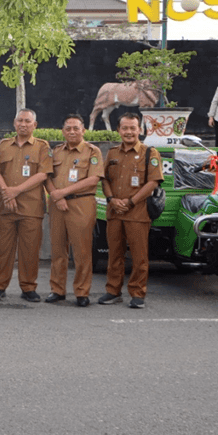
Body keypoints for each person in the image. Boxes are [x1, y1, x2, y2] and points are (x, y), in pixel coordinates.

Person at [98, 112, 163, 309]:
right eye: (124, 128)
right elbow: (105, 180)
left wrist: (131, 202)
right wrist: (111, 199)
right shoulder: (112, 153)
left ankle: (137, 293)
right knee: (114, 254)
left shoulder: (150, 153)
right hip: (115, 212)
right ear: (118, 130)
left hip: (137, 213)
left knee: (139, 256)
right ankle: (112, 291)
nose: (128, 132)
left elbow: (153, 182)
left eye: (132, 128)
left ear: (140, 130)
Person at [0, 109, 53, 303]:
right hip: (6, 207)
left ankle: (28, 287)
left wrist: (15, 191)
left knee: (30, 249)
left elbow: (43, 174)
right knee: (2, 249)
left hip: (31, 208)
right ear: (14, 123)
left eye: (27, 121)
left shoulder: (42, 147)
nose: (23, 124)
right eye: (20, 121)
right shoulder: (4, 145)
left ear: (35, 125)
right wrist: (6, 193)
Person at [45, 114, 104, 307]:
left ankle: (81, 292)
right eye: (68, 128)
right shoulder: (56, 151)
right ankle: (57, 290)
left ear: (83, 130)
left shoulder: (92, 152)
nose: (72, 131)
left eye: (76, 128)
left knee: (82, 251)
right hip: (57, 206)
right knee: (58, 249)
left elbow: (93, 179)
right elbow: (47, 176)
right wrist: (56, 195)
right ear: (63, 131)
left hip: (81, 204)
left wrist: (63, 193)